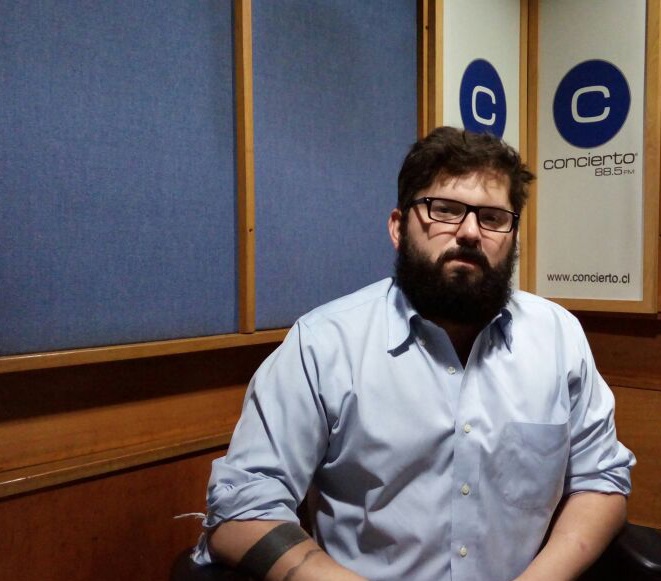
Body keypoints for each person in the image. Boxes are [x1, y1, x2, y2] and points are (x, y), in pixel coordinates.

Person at [193, 126, 635, 581]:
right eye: (444, 210)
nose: (469, 232)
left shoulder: (558, 337)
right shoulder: (323, 344)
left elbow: (600, 480)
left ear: (513, 236)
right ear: (398, 227)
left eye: (492, 218)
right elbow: (241, 509)